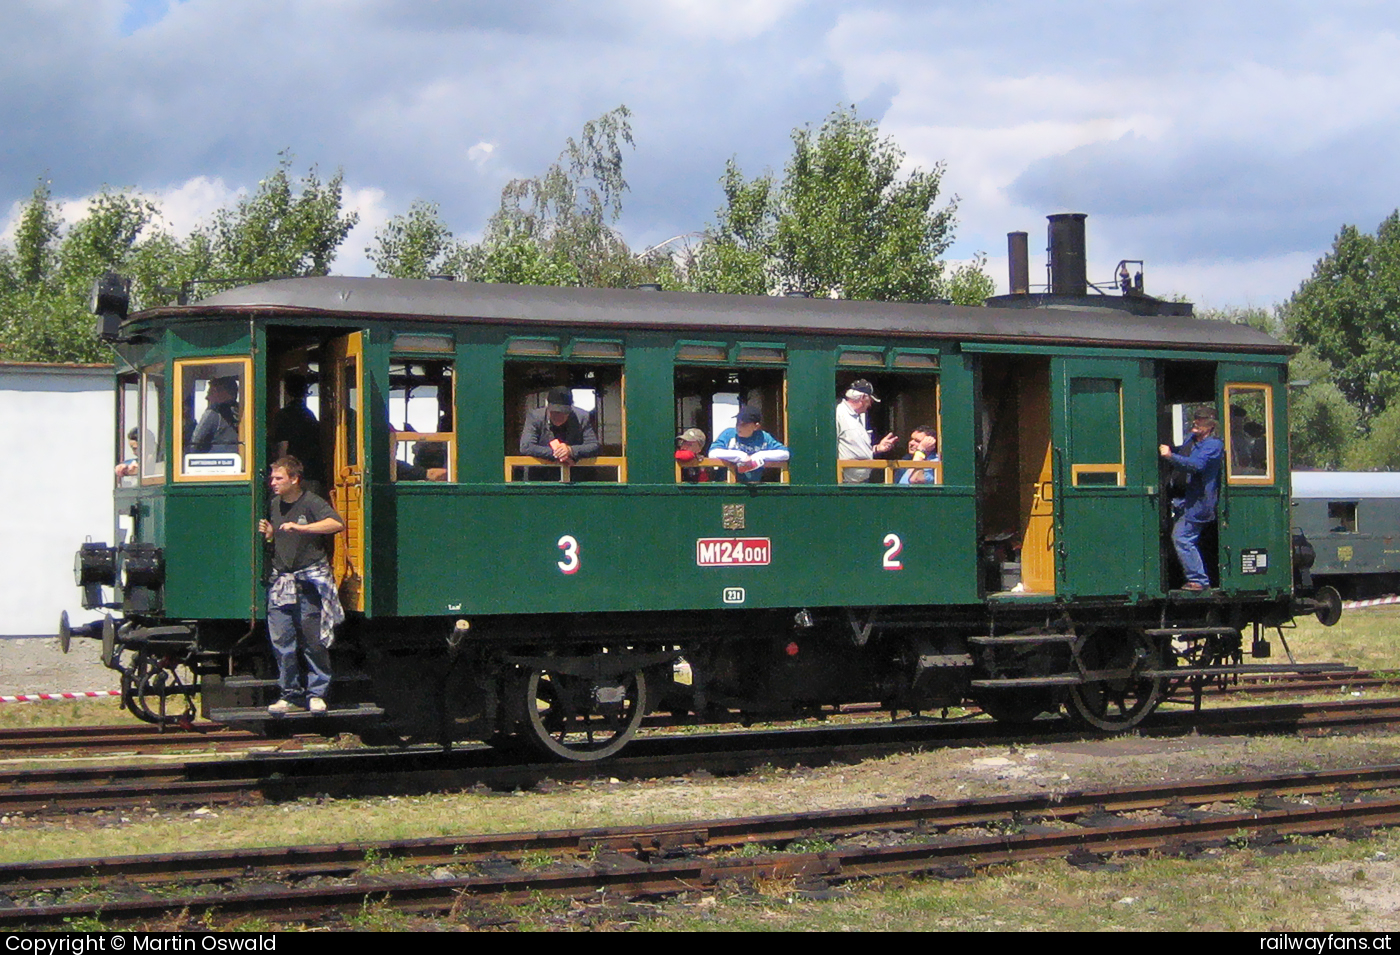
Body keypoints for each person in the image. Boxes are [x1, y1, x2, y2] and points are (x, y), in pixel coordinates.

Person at [258, 456, 345, 714]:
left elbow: (336, 523)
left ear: (294, 479)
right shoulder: (274, 504)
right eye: (272, 478)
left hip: (308, 584)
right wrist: (273, 537)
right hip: (282, 583)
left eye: (278, 478)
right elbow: (281, 543)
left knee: (313, 642)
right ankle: (289, 695)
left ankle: (317, 693)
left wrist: (301, 528)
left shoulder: (311, 501)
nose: (272, 483)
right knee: (282, 642)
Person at [1159, 407, 1225, 591]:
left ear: (1211, 425)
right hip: (1183, 501)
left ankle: (1199, 580)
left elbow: (1196, 465)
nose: (1196, 422)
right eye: (1195, 419)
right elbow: (1183, 453)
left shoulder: (1213, 445)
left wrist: (1170, 456)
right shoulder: (1192, 439)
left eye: (1201, 420)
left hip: (1198, 503)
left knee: (1182, 538)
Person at [519, 386, 601, 469]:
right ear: (548, 407)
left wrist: (570, 450)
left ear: (570, 409)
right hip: (541, 475)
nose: (558, 416)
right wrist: (558, 453)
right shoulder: (535, 417)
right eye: (554, 412)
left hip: (576, 475)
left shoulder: (582, 417)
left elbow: (594, 446)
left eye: (563, 412)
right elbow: (526, 446)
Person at [837, 379, 898, 483]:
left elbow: (857, 451)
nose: (870, 404)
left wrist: (877, 449)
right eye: (870, 400)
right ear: (862, 398)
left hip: (861, 481)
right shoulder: (839, 415)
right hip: (846, 483)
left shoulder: (859, 417)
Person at [709, 406, 789, 483]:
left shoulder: (764, 437)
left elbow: (785, 453)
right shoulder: (728, 434)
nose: (739, 427)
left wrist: (759, 456)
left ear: (756, 426)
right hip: (728, 485)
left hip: (754, 486)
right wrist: (740, 456)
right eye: (738, 423)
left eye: (744, 424)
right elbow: (713, 453)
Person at [271, 373, 323, 486]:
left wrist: (280, 471)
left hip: (292, 474)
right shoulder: (310, 415)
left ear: (286, 391)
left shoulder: (284, 415)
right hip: (311, 472)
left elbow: (283, 446)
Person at [189, 376, 240, 454]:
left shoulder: (214, 412)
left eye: (211, 392)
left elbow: (194, 444)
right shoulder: (242, 413)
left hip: (214, 463)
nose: (207, 397)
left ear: (223, 393)